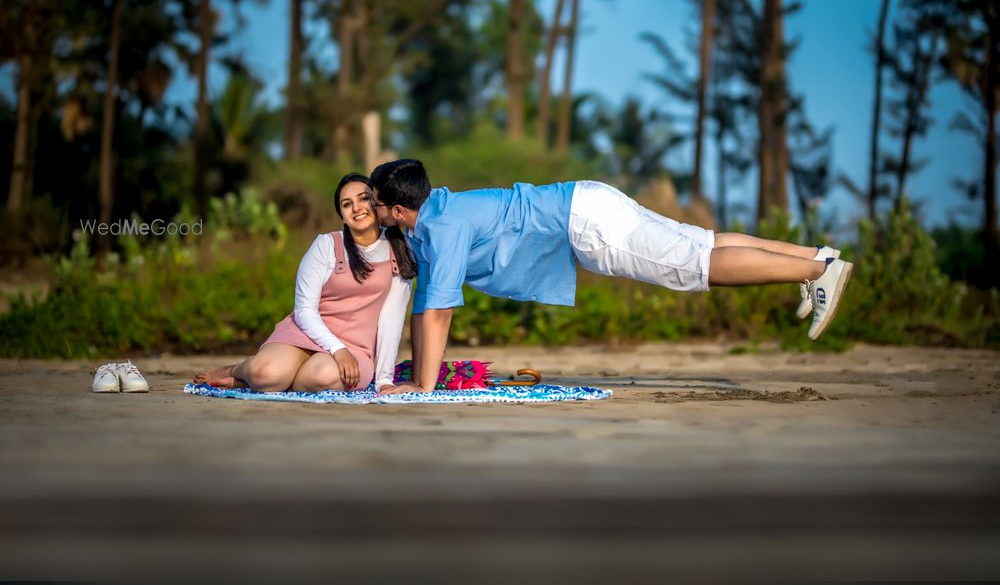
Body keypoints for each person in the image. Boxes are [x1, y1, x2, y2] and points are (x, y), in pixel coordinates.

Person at [369, 159, 854, 394]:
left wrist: (423, 388)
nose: (367, 209)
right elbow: (426, 302)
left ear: (396, 207)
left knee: (696, 266)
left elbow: (436, 311)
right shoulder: (437, 215)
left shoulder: (441, 225)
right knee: (702, 243)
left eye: (372, 202)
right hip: (585, 202)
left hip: (587, 224)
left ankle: (816, 272)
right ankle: (821, 257)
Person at [194, 174, 416, 393]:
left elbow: (391, 317)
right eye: (347, 204)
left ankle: (276, 381)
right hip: (305, 334)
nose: (357, 207)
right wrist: (337, 348)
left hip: (356, 348)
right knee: (266, 374)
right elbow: (304, 310)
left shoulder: (398, 248)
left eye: (364, 198)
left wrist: (384, 379)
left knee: (321, 377)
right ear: (342, 215)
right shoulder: (326, 245)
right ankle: (238, 371)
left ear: (377, 201)